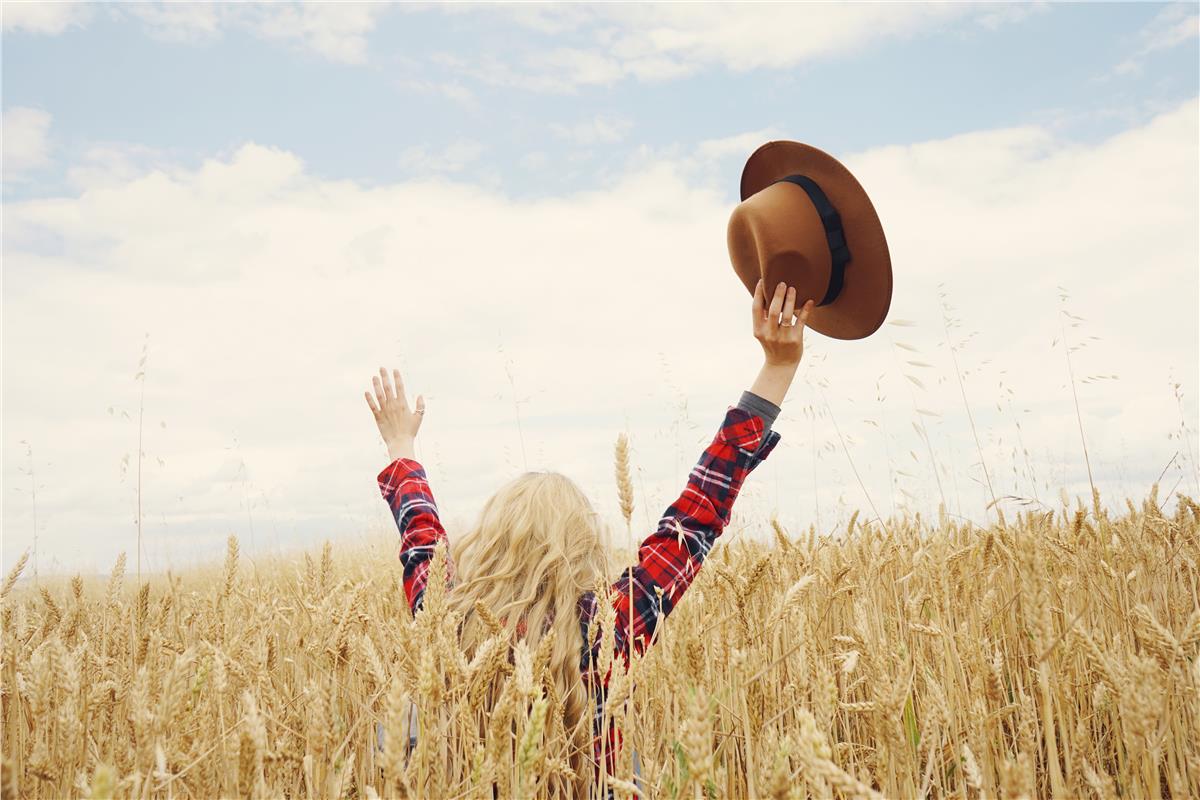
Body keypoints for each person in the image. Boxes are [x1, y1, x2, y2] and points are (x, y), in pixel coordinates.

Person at [365, 280, 814, 795]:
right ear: (582, 547)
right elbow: (696, 518)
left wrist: (401, 445)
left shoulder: (443, 610)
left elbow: (421, 534)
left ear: (489, 540)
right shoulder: (612, 623)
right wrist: (777, 368)